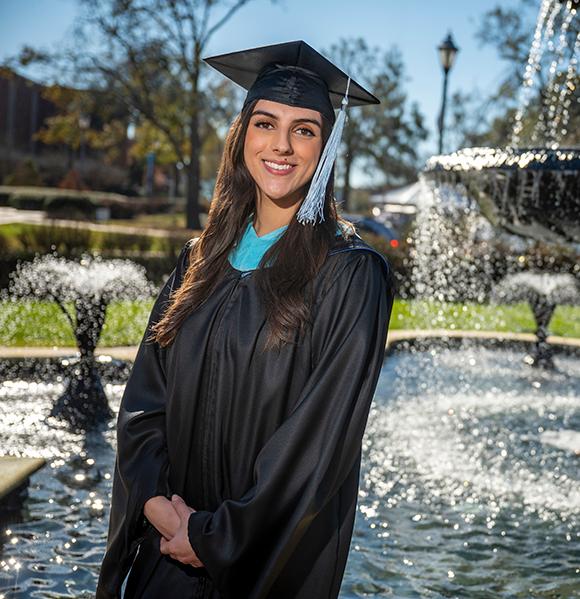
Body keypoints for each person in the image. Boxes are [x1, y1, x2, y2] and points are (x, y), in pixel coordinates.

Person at [96, 41, 392, 599]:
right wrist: (162, 511)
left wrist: (215, 537)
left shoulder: (350, 277)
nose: (281, 145)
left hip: (258, 569)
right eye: (265, 123)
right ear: (242, 137)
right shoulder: (200, 259)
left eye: (305, 130)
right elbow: (143, 404)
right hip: (166, 558)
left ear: (326, 149)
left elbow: (317, 448)